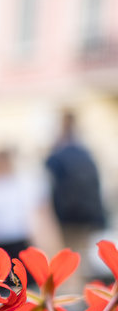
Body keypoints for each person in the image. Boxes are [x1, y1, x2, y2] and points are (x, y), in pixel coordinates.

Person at [45, 109, 107, 259]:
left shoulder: (58, 151)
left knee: (69, 254)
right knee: (84, 253)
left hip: (66, 215)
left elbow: (48, 177)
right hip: (87, 213)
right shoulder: (85, 151)